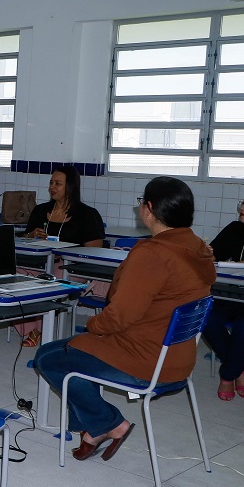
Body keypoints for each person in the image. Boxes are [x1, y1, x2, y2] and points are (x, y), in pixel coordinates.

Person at [34, 176, 215, 462]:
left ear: (149, 208)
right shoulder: (197, 247)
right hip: (176, 357)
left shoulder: (154, 253)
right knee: (54, 351)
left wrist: (92, 326)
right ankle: (94, 430)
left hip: (145, 360)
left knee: (51, 359)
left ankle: (109, 424)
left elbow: (118, 317)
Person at [17, 166, 106, 346]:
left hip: (70, 267)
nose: (52, 187)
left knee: (50, 281)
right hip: (40, 263)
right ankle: (29, 327)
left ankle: (40, 330)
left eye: (58, 183)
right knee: (14, 276)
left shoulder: (87, 214)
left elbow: (95, 251)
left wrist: (66, 250)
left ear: (70, 187)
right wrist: (31, 235)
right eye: (51, 183)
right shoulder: (40, 211)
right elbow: (24, 239)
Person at [204, 186, 244, 401]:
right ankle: (239, 367)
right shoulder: (235, 229)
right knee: (207, 316)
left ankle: (228, 374)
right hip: (233, 294)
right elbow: (212, 256)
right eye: (243, 203)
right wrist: (206, 253)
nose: (242, 208)